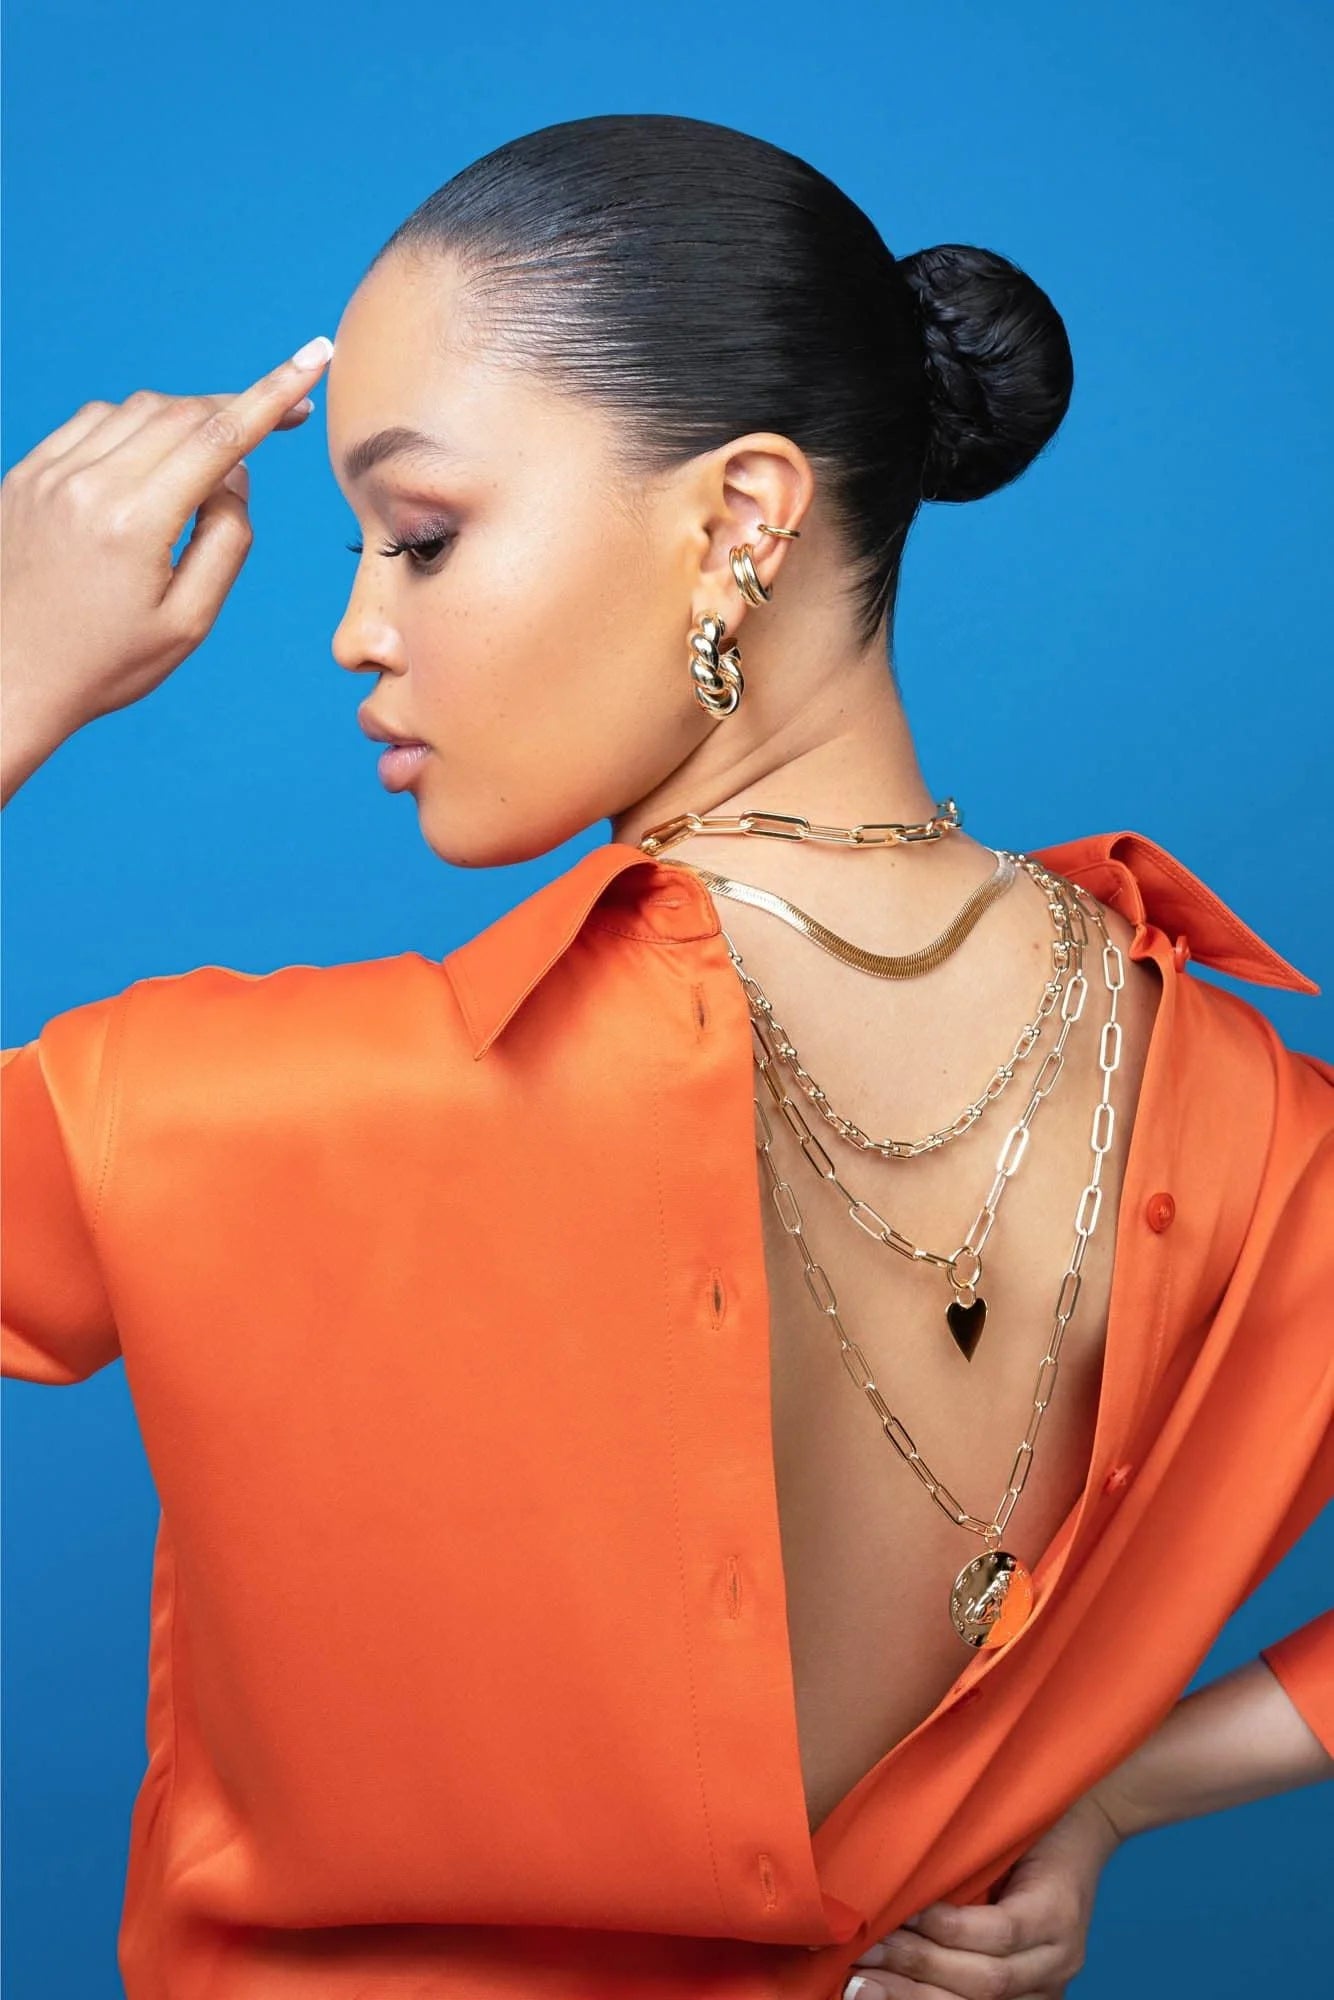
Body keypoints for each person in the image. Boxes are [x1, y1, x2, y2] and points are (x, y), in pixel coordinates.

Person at [3, 112, 1330, 2000]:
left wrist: (7, 660)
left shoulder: (261, 1114)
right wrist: (1103, 1791)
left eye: (422, 534)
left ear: (738, 520)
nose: (352, 632)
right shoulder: (1253, 1118)